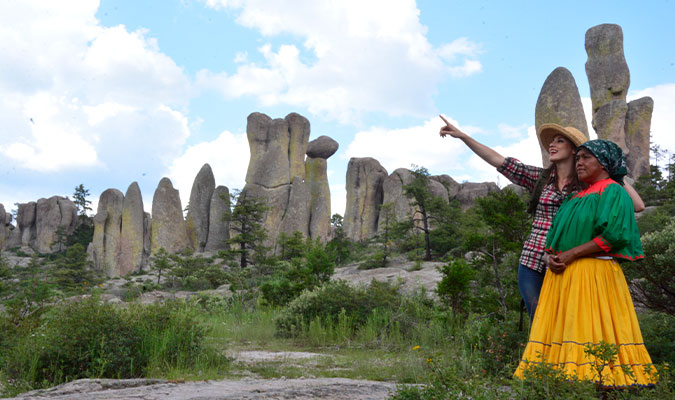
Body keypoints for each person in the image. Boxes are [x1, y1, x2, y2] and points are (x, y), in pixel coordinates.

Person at [438, 116, 645, 320]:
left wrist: (612, 173)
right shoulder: (541, 178)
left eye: (559, 140)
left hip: (569, 261)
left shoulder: (588, 183)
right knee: (538, 319)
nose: (552, 145)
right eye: (551, 141)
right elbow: (499, 161)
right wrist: (463, 136)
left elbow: (636, 205)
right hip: (533, 258)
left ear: (575, 149)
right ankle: (539, 355)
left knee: (567, 320)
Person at [513, 139, 656, 387]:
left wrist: (572, 254)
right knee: (565, 328)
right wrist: (549, 257)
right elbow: (552, 240)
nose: (579, 162)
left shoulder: (611, 190)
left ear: (604, 163)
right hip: (562, 278)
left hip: (594, 274)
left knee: (589, 327)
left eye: (586, 157)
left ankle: (597, 384)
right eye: (577, 158)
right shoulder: (573, 199)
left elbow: (614, 235)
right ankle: (560, 383)